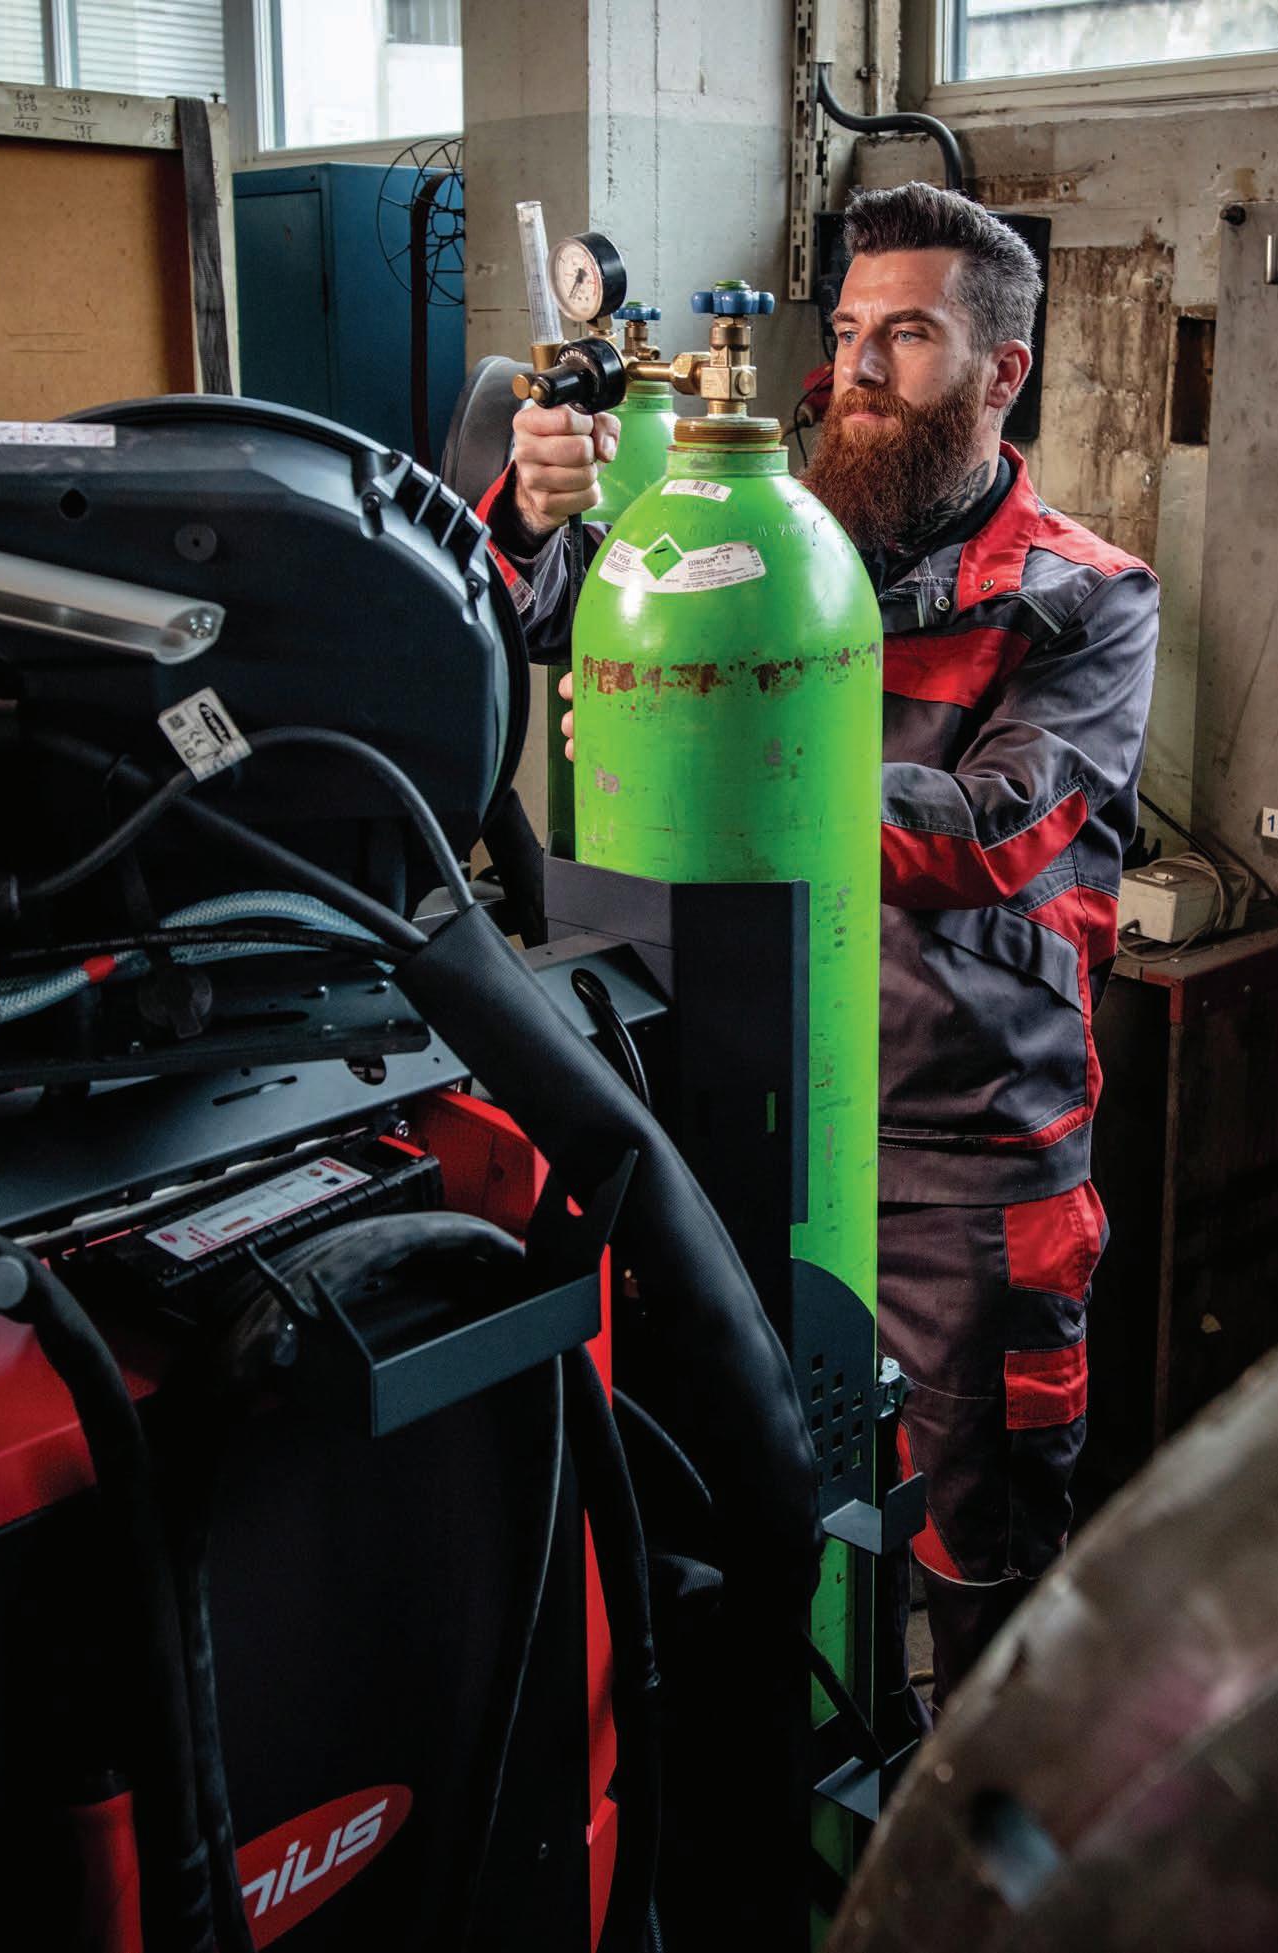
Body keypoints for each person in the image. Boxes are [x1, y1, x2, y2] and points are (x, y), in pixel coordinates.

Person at [477, 182, 1158, 1707]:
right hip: (748, 1122)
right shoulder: (762, 540)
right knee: (756, 1551)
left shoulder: (1083, 599)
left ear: (1002, 370)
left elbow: (995, 829)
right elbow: (545, 614)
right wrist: (535, 509)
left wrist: (722, 744)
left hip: (960, 1168)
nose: (856, 366)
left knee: (978, 1577)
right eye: (848, 329)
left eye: (906, 336)